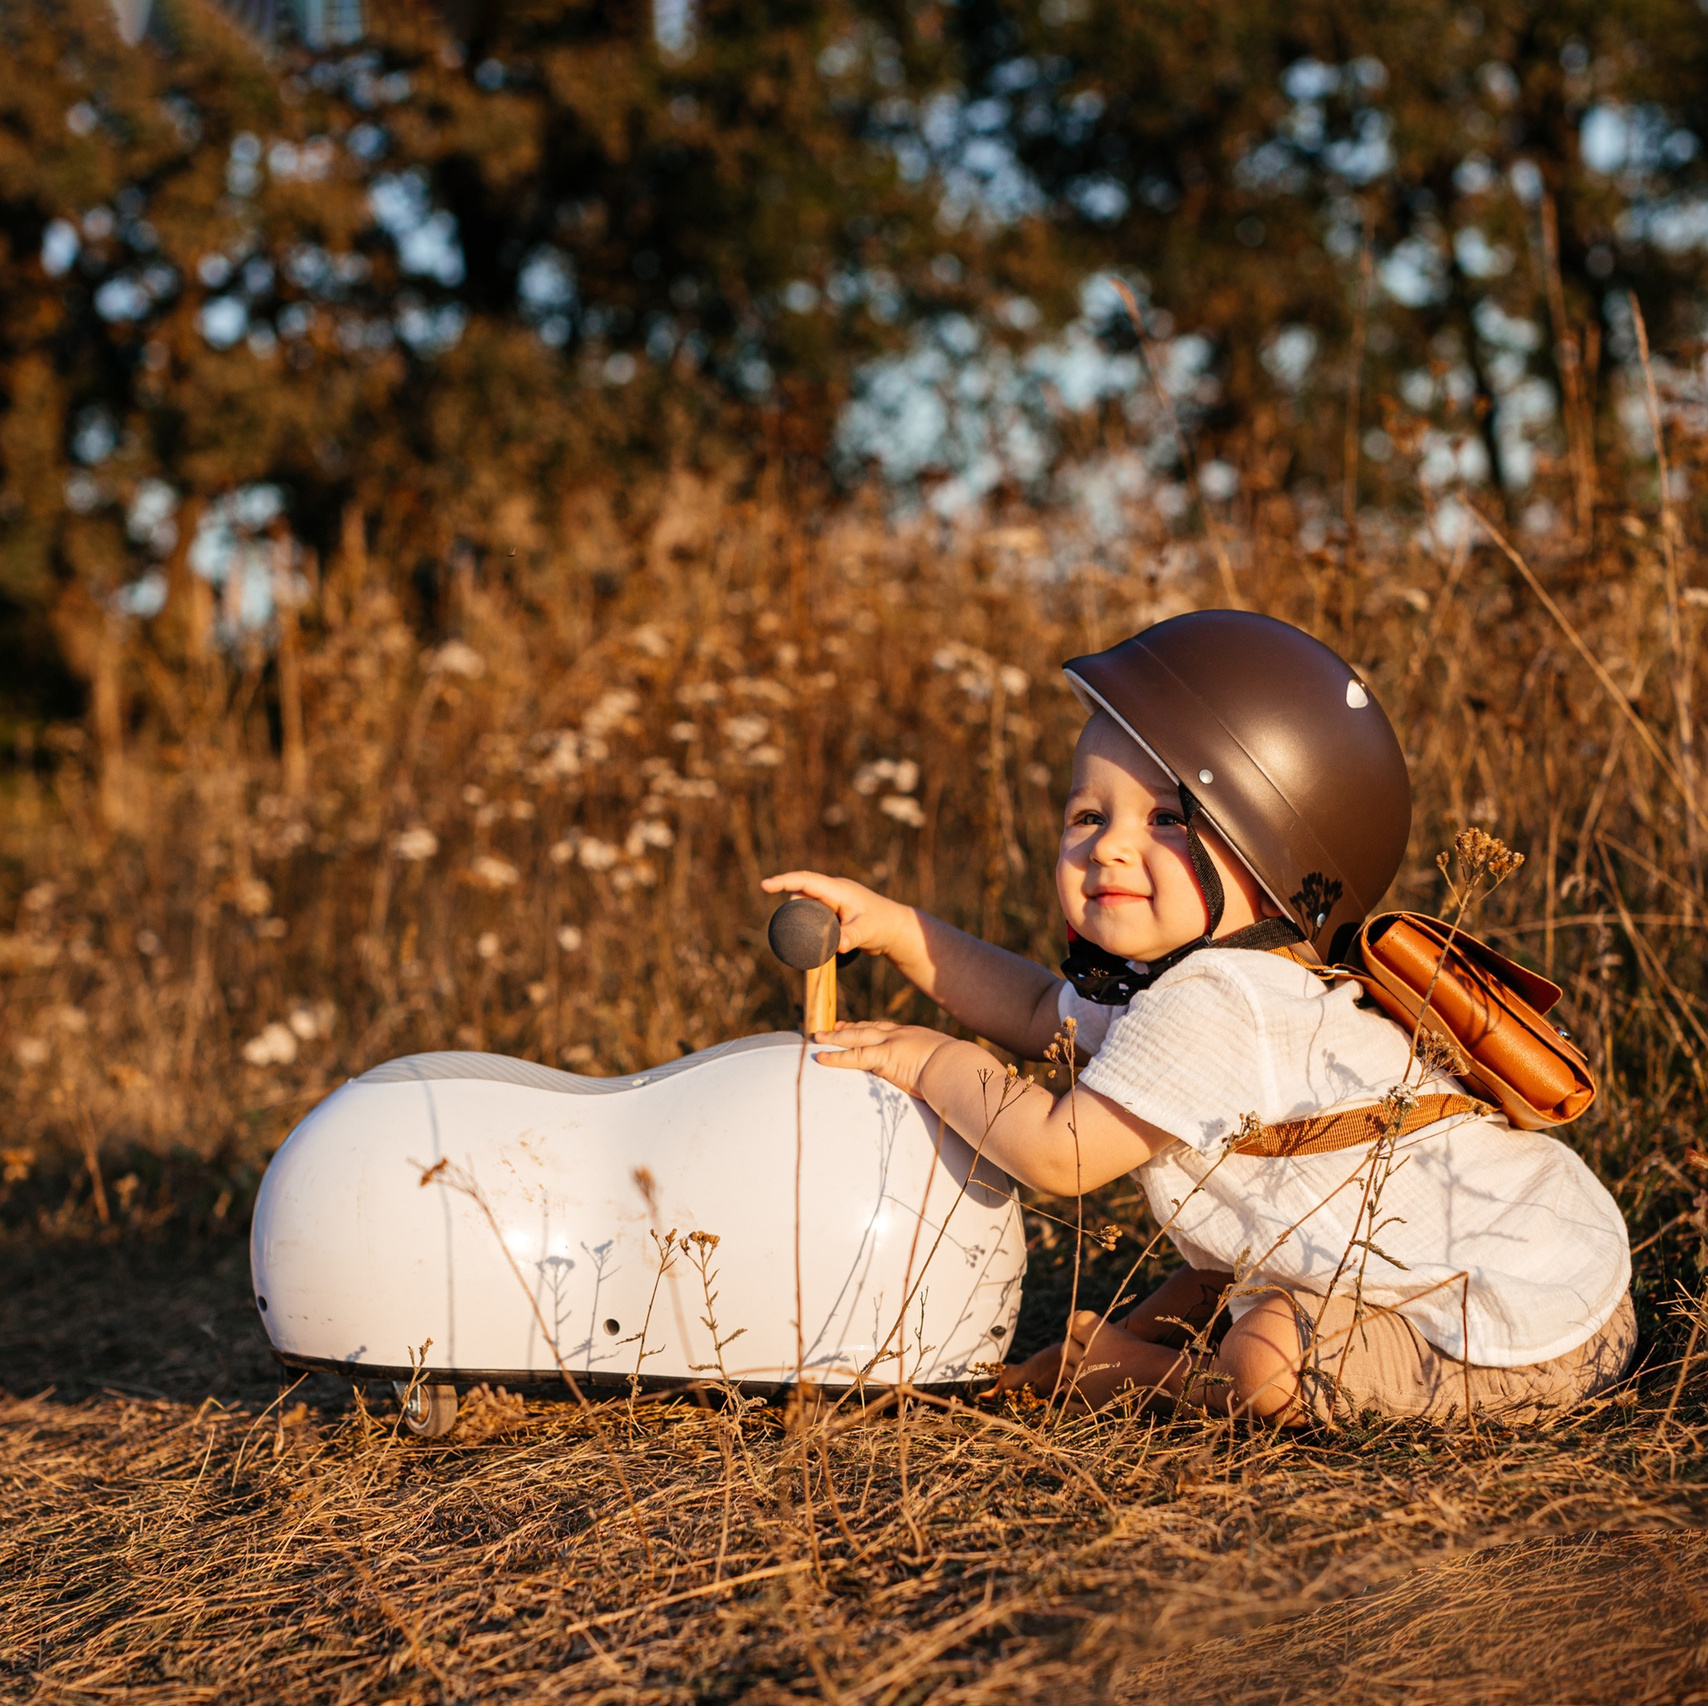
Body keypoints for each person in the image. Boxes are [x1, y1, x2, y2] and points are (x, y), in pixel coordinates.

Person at [762, 610, 1634, 1425]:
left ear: (1275, 861)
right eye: (1088, 814)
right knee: (1214, 1281)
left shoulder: (1219, 1000)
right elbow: (1037, 1009)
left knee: (1263, 1363)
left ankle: (1133, 1373)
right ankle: (1115, 1351)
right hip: (1526, 1275)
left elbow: (1059, 1152)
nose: (1106, 844)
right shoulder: (1210, 985)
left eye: (1168, 819)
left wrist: (926, 1059)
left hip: (1520, 1331)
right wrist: (896, 929)